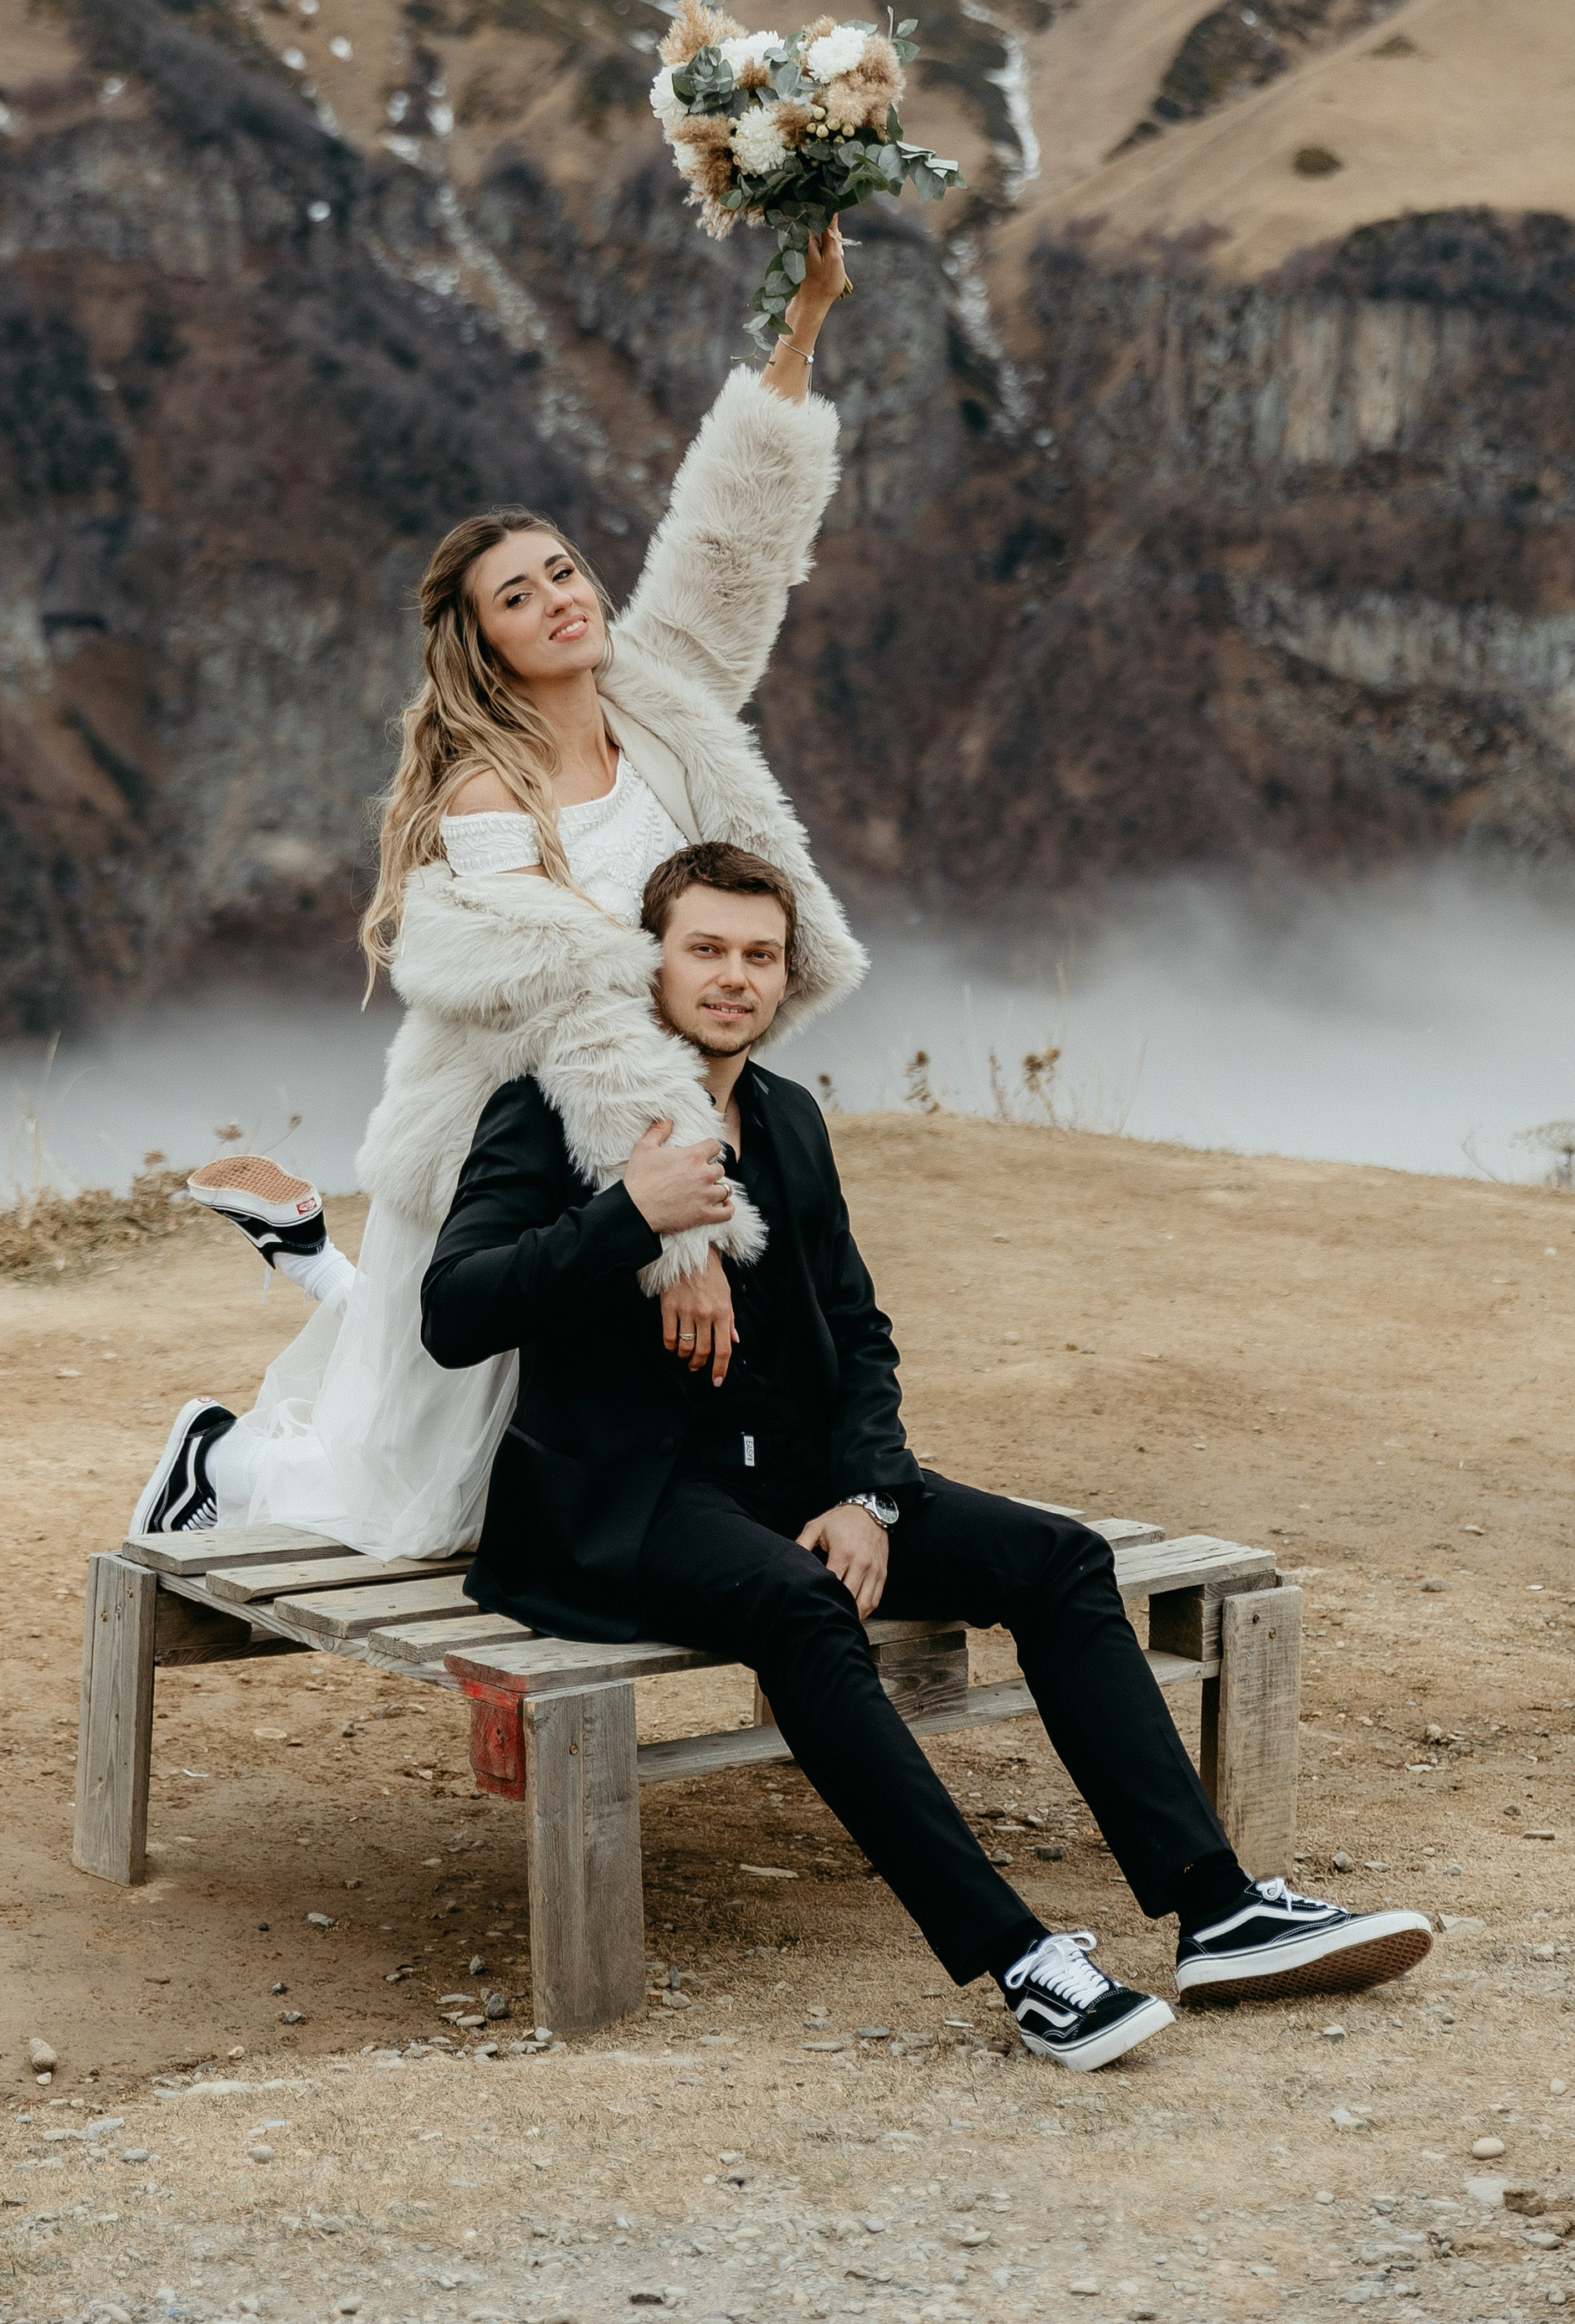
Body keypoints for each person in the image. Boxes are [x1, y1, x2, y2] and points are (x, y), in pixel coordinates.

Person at [421, 839, 1433, 2070]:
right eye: (705, 949)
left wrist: (866, 1494)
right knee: (800, 1607)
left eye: (758, 954)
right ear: (652, 960)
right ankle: (1024, 1962)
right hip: (628, 1504)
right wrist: (628, 1214)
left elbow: (858, 1330)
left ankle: (1216, 1907)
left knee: (1058, 1558)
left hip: (793, 1478)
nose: (734, 976)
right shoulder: (548, 1107)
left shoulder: (787, 1117)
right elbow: (455, 1309)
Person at [130, 225, 866, 1556]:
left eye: (565, 571)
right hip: (506, 1150)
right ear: (487, 638)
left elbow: (736, 543)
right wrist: (683, 1232)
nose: (560, 600)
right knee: (422, 1510)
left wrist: (805, 319)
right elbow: (576, 1009)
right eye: (519, 596)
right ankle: (220, 1459)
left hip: (641, 1137)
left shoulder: (662, 695)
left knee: (595, 1459)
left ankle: (307, 1260)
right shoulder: (488, 793)